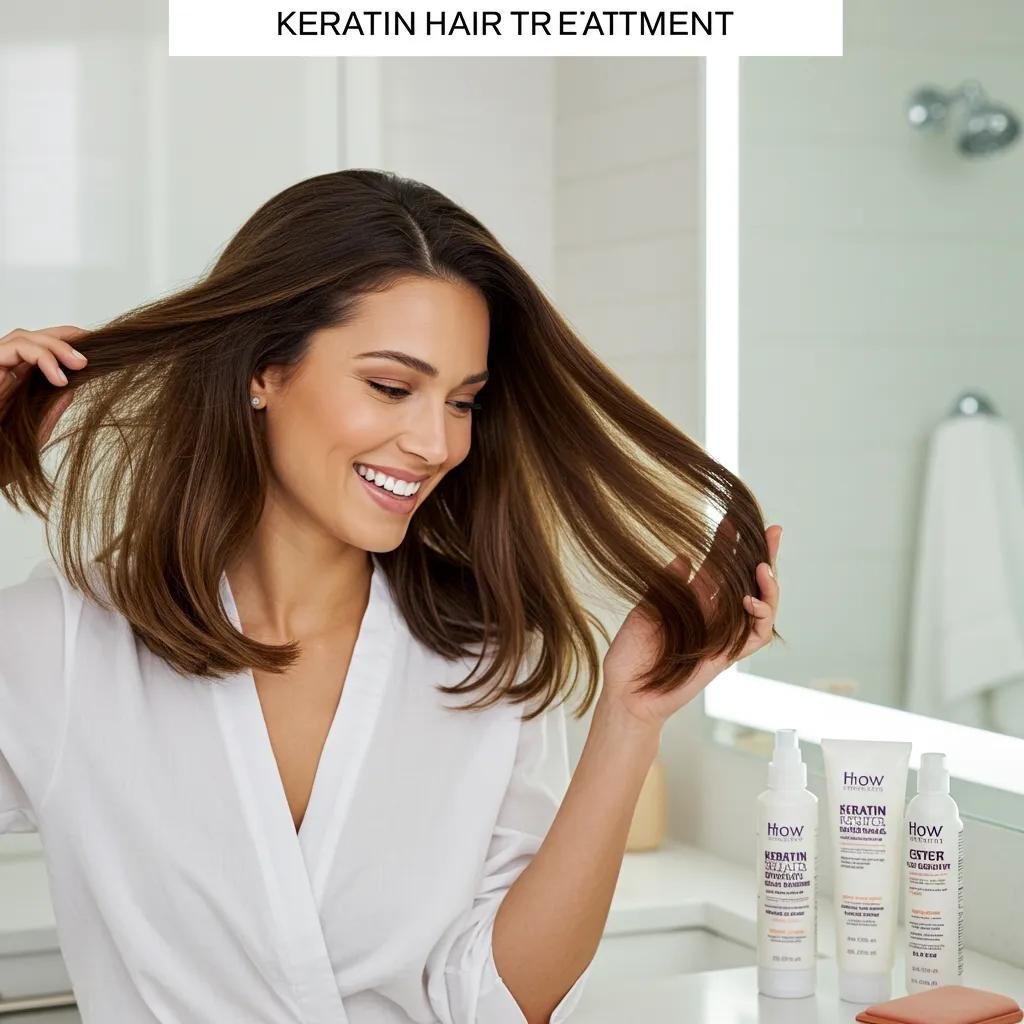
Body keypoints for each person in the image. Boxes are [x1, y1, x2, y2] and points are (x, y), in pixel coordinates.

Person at [0, 169, 782, 1023]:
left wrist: (631, 724)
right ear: (266, 369)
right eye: (390, 386)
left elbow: (491, 999)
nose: (436, 441)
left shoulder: (486, 656)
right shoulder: (69, 643)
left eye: (463, 402)